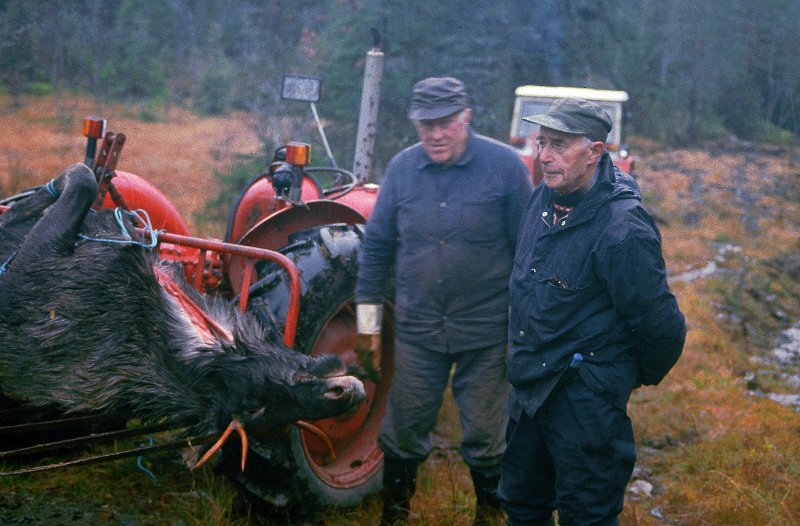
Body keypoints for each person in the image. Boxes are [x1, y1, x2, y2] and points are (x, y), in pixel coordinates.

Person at [498, 98, 687, 526]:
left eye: (559, 145)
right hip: (529, 390)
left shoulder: (623, 227)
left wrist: (612, 378)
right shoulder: (541, 201)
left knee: (587, 514)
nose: (544, 155)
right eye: (541, 142)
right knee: (522, 505)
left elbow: (662, 328)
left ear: (595, 152)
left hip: (584, 400)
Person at [355, 77, 533, 526]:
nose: (435, 134)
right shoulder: (402, 169)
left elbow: (530, 254)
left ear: (465, 118)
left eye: (445, 124)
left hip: (488, 331)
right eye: (425, 124)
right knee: (402, 432)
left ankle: (489, 516)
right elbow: (375, 249)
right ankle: (394, 516)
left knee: (488, 437)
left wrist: (523, 332)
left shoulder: (506, 167)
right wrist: (367, 324)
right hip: (419, 330)